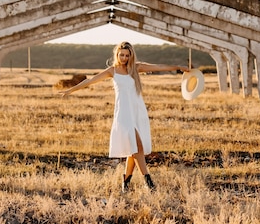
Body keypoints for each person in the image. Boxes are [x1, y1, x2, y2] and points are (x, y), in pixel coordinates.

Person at [59, 41, 189, 192]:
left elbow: (159, 67)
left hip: (137, 111)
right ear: (117, 54)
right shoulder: (112, 70)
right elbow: (90, 81)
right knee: (137, 146)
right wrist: (70, 91)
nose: (124, 58)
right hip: (123, 113)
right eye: (122, 55)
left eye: (127, 55)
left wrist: (179, 67)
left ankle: (125, 183)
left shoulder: (136, 68)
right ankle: (149, 182)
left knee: (133, 149)